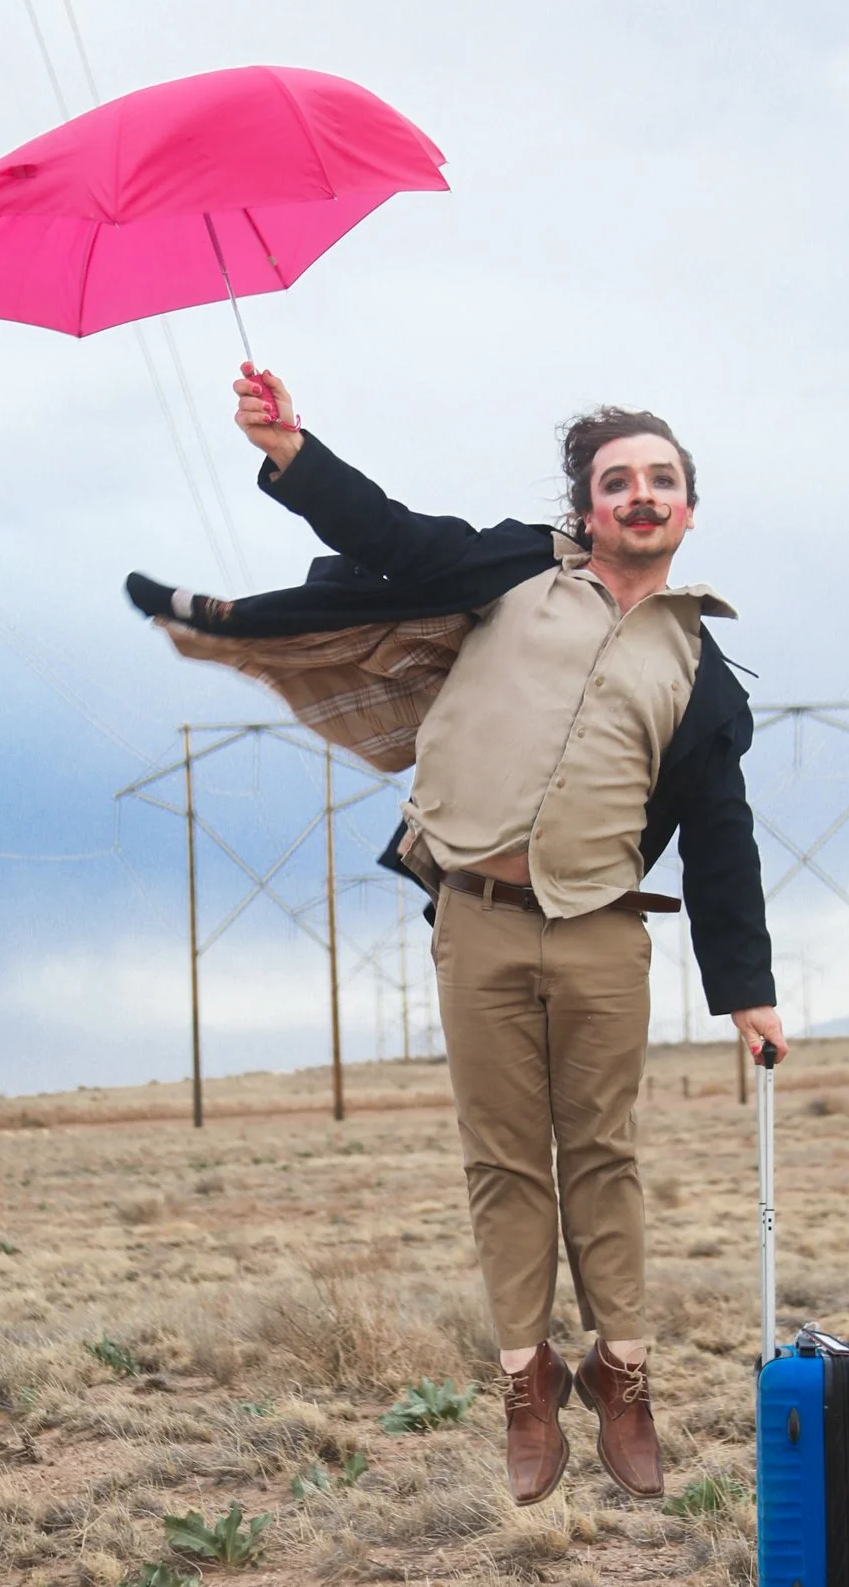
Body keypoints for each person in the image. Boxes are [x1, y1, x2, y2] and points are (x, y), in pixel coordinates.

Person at [125, 373, 787, 1504]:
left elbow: (720, 842)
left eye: (659, 482)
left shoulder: (701, 674)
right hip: (475, 923)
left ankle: (620, 1375)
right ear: (584, 507)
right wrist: (292, 449)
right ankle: (526, 1389)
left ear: (688, 509)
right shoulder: (512, 571)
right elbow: (391, 537)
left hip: (601, 935)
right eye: (615, 480)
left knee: (602, 1157)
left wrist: (747, 994)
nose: (638, 496)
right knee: (502, 1162)